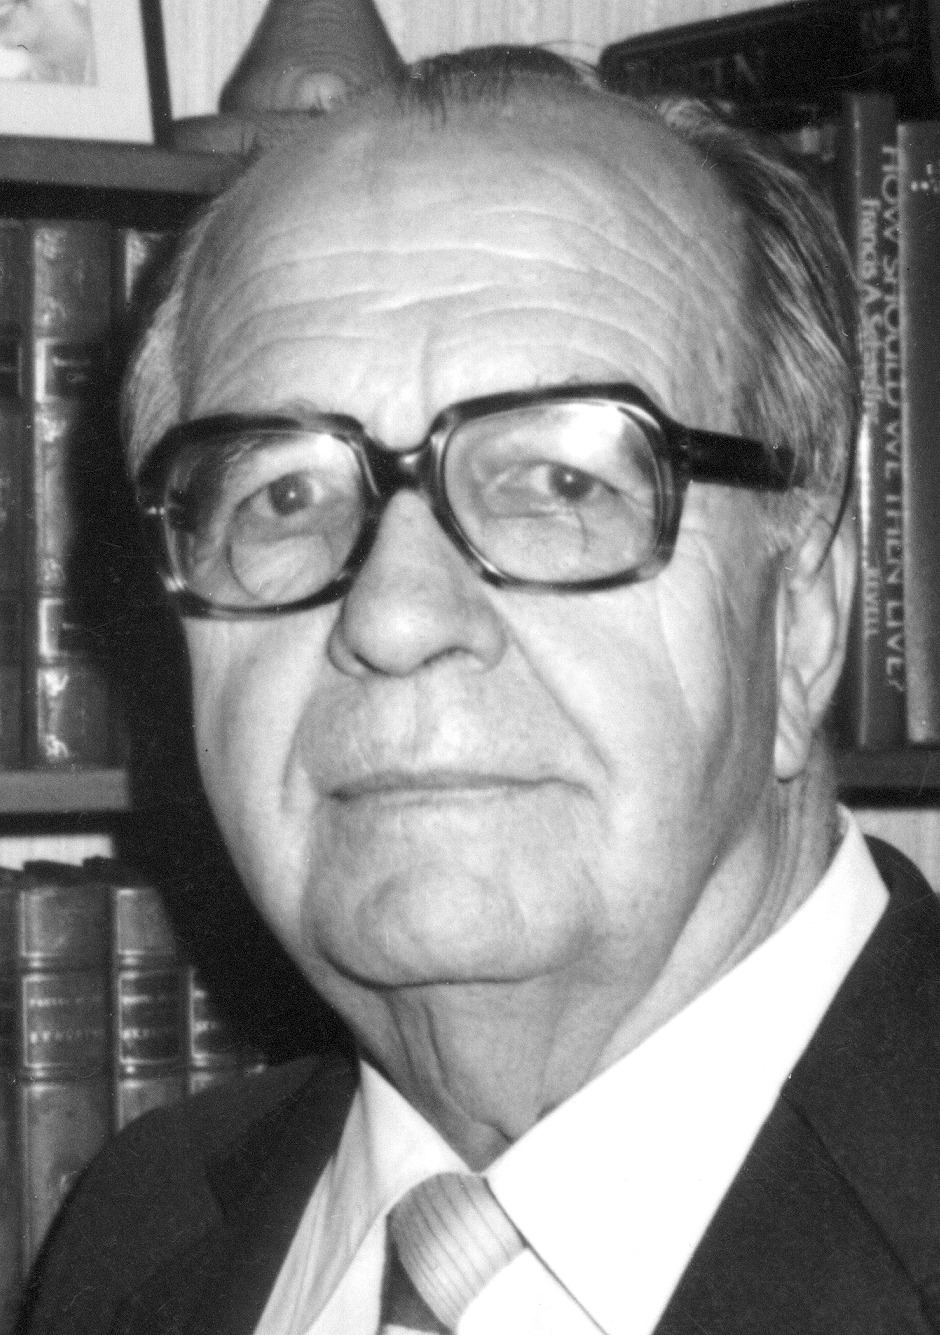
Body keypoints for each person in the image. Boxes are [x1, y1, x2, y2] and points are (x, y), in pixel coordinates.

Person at [21, 45, 940, 1335]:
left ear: (802, 618)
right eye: (282, 496)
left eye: (561, 482)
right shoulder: (132, 1236)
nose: (393, 617)